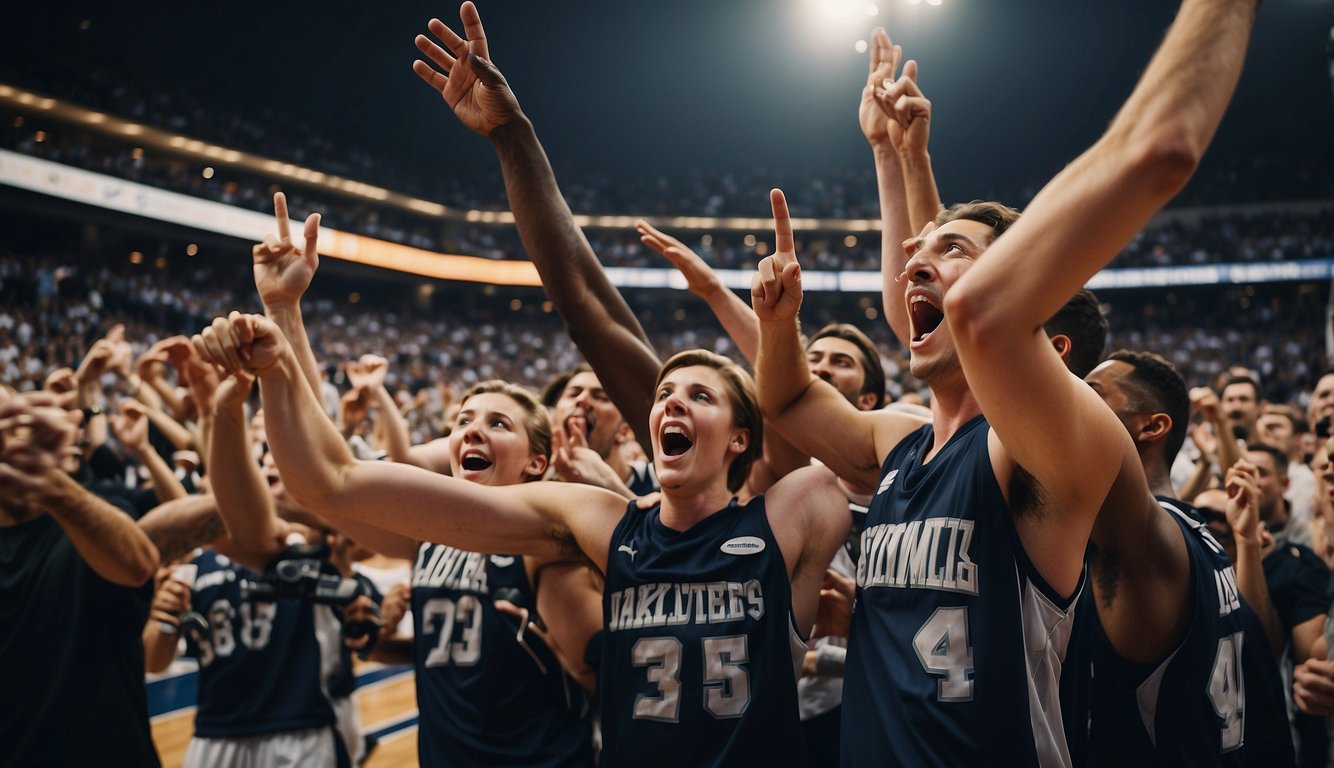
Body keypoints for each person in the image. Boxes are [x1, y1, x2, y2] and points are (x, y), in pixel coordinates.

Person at [752, 0, 1262, 763]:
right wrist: (779, 317)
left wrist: (915, 182)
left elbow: (977, 313)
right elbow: (789, 397)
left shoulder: (1041, 446)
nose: (913, 264)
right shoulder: (904, 441)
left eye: (952, 250)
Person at [193, 302, 851, 767]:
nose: (673, 402)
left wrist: (770, 322)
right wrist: (278, 369)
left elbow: (841, 435)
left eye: (701, 396)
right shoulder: (601, 520)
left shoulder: (798, 508)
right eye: (665, 393)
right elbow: (328, 481)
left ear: (742, 437)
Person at [243, 194, 598, 766]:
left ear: (537, 461)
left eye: (497, 423)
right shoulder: (435, 532)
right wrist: (284, 309)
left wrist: (568, 656)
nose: (471, 432)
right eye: (463, 421)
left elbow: (600, 676)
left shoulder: (544, 545)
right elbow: (320, 473)